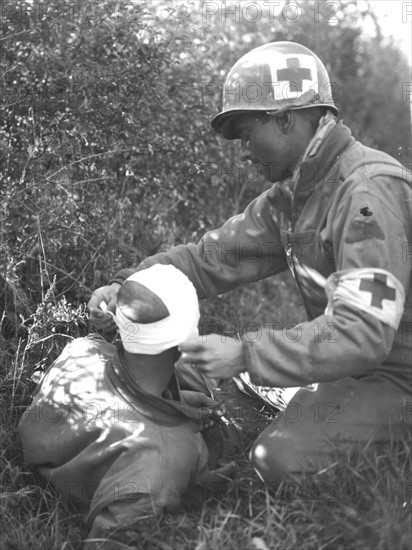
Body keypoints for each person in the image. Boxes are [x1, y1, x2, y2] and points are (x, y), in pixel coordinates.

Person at [88, 41, 412, 482]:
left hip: (397, 374)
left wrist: (246, 354)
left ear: (285, 120)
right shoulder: (295, 195)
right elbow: (208, 260)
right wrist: (126, 286)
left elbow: (363, 332)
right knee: (218, 395)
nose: (242, 150)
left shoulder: (367, 193)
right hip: (354, 367)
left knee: (273, 462)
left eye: (245, 133)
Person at [19, 264, 233, 549]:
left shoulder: (84, 348)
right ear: (185, 342)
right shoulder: (163, 459)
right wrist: (195, 485)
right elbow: (109, 540)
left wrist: (179, 404)